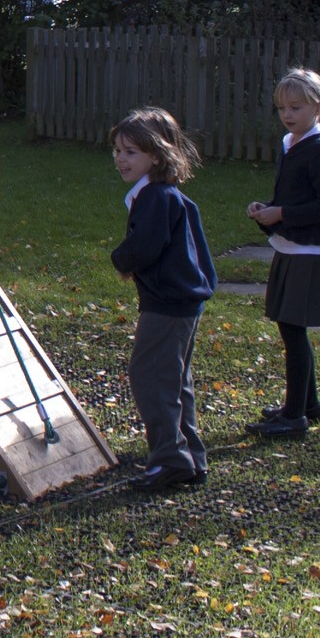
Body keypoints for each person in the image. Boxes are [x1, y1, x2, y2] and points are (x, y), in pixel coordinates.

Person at [244, 67, 320, 437]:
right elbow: (292, 199)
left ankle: (294, 417)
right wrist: (269, 212)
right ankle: (308, 404)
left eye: (296, 107)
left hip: (310, 253)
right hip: (292, 247)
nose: (288, 114)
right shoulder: (290, 144)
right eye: (282, 108)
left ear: (317, 107)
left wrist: (283, 214)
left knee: (293, 330)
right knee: (290, 327)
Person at [109, 107, 217, 491]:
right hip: (182, 303)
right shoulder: (168, 195)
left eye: (131, 152)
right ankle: (189, 457)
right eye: (118, 151)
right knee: (174, 380)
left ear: (157, 155)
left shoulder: (156, 197)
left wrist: (121, 259)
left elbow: (146, 246)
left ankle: (170, 460)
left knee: (151, 377)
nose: (122, 159)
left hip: (168, 305)